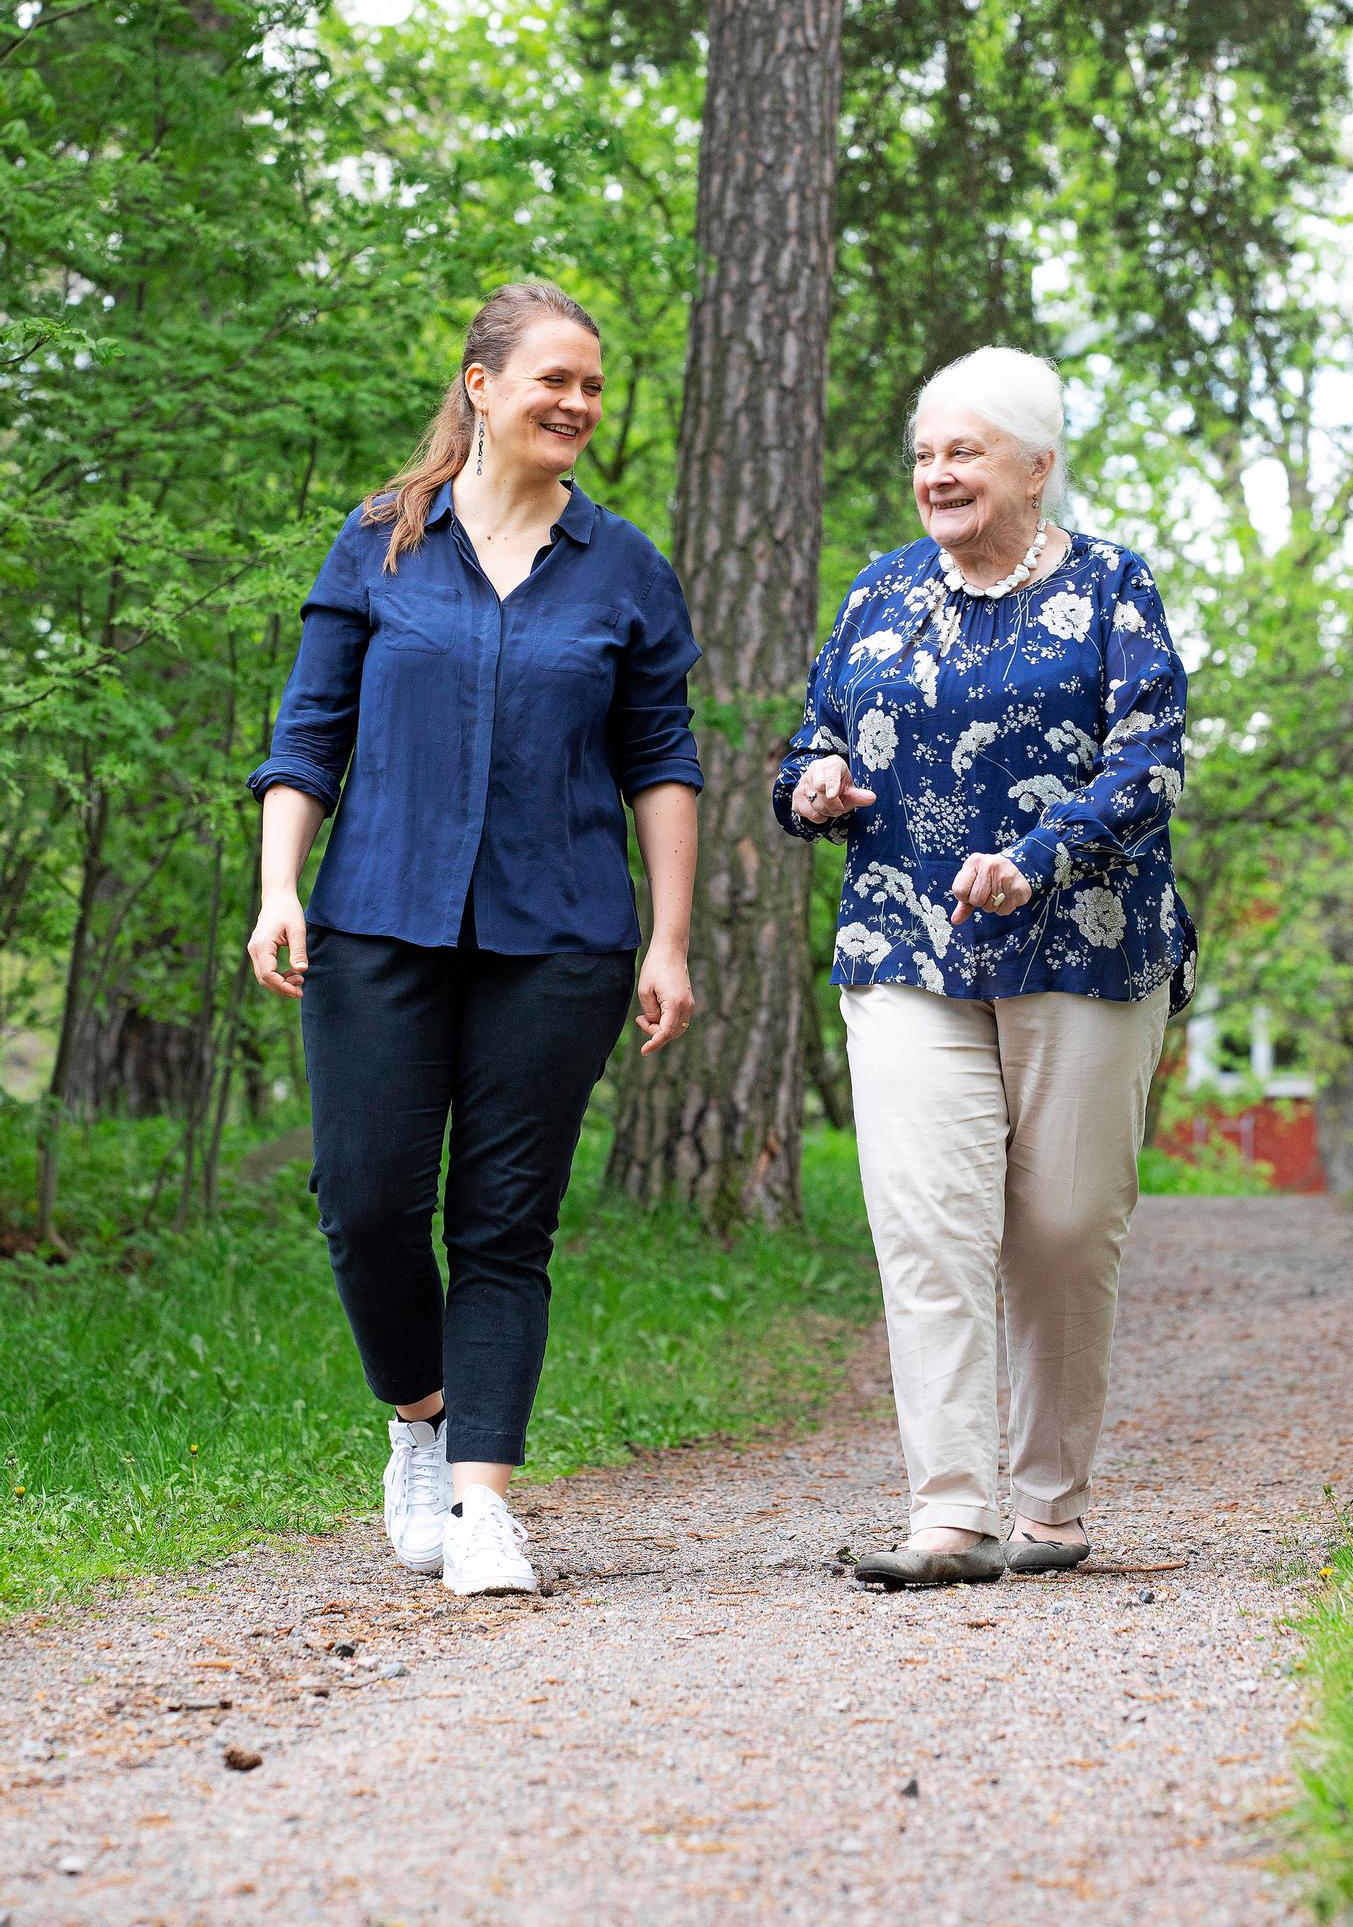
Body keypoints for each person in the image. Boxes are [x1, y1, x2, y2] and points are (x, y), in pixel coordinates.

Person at [246, 281, 702, 1597]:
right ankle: (422, 1419)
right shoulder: (380, 542)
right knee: (367, 1201)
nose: (576, 403)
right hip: (376, 916)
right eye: (554, 378)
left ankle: (486, 1501)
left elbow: (659, 760)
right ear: (483, 385)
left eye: (594, 386)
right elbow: (307, 733)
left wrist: (668, 940)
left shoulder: (624, 569)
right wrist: (282, 886)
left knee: (507, 1223)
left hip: (558, 937)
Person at [773, 345, 1196, 1589]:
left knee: (1063, 1231)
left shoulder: (1114, 589)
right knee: (927, 1227)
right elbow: (814, 744)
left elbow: (1152, 765)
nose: (937, 474)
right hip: (905, 943)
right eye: (923, 454)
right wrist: (812, 786)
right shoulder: (878, 594)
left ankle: (1051, 1506)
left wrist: (1038, 856)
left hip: (1086, 947)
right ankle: (948, 1515)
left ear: (1036, 466)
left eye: (963, 451)